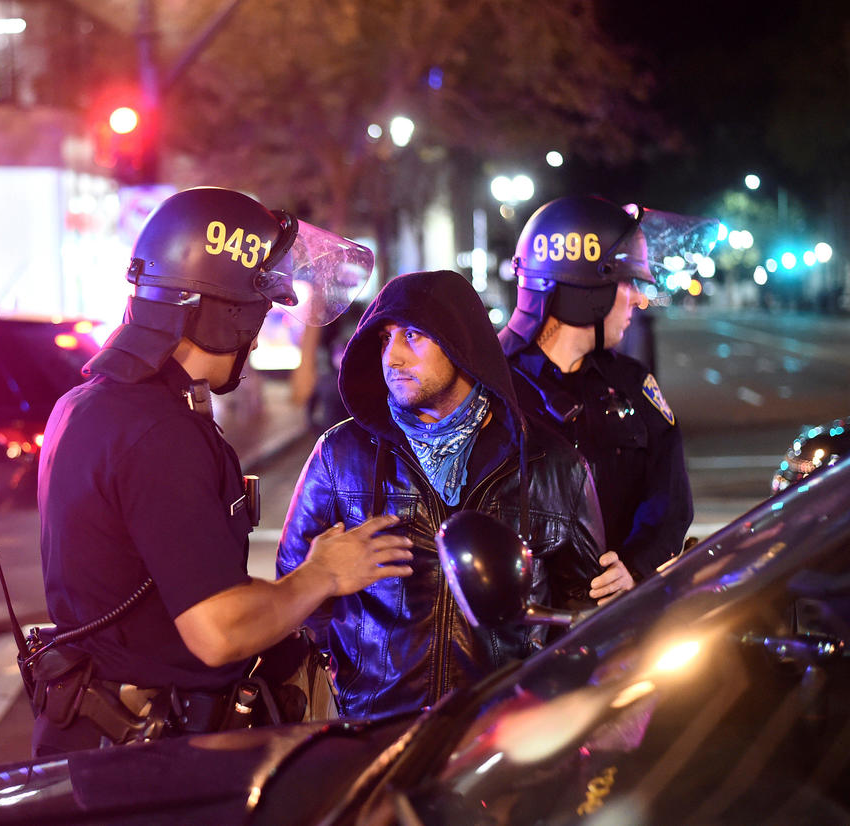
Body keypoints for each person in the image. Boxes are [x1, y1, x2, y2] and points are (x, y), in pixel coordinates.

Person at [34, 186, 414, 756]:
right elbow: (217, 631)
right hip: (148, 768)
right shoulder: (159, 432)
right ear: (225, 311)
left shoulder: (91, 403)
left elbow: (171, 587)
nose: (260, 330)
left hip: (99, 738)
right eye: (259, 307)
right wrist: (321, 576)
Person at [277, 270, 625, 720]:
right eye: (385, 338)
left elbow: (584, 609)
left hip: (499, 740)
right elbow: (296, 585)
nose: (394, 357)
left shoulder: (552, 465)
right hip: (375, 733)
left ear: (461, 344)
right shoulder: (340, 455)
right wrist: (360, 672)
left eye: (415, 336)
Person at [499, 195, 695, 582]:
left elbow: (670, 500)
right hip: (518, 629)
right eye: (625, 283)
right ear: (587, 289)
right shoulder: (492, 385)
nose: (638, 299)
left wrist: (635, 568)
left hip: (615, 623)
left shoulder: (633, 384)